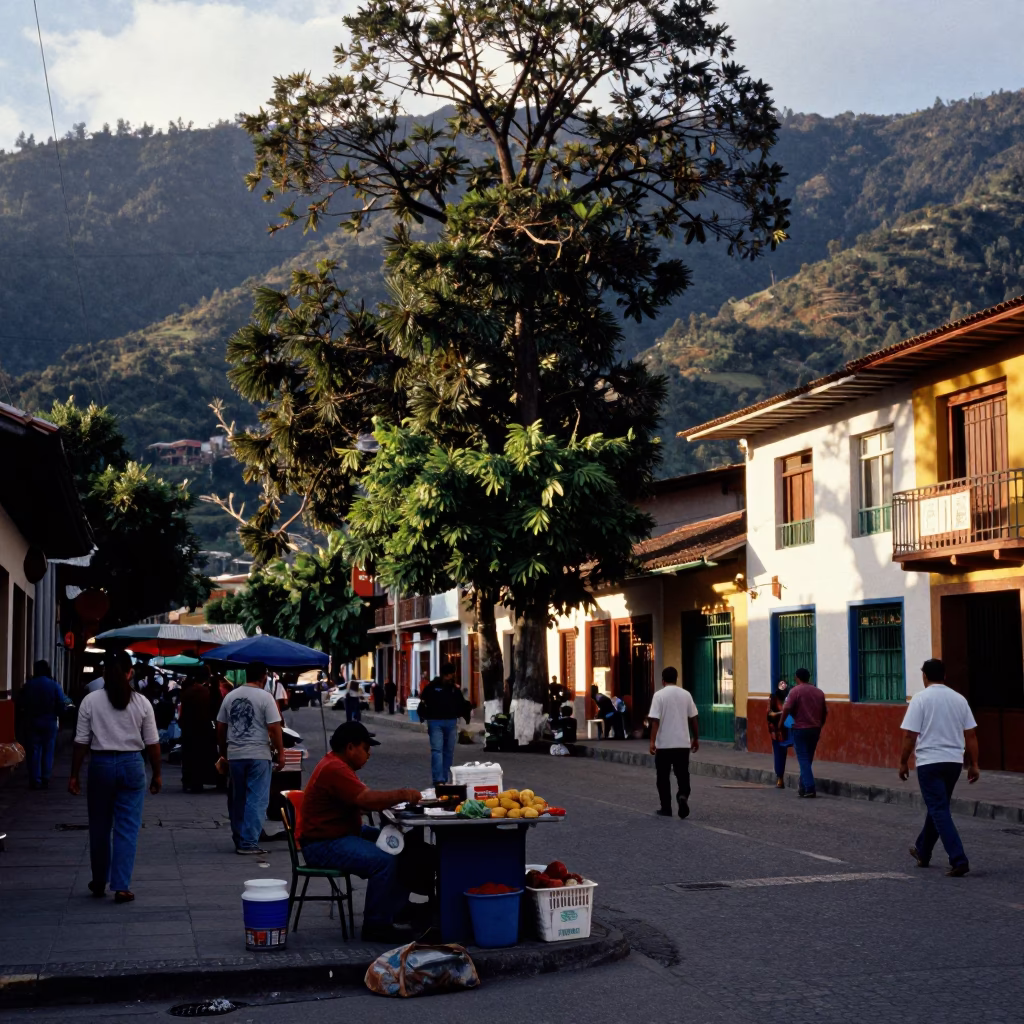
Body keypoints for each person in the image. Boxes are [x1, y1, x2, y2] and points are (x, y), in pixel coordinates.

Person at [298, 721, 425, 942]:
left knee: (402, 845)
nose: (368, 755)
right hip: (322, 843)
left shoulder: (340, 766)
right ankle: (376, 924)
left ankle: (396, 907)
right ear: (350, 747)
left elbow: (363, 801)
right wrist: (403, 794)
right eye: (365, 749)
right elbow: (366, 799)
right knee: (383, 860)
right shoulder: (335, 768)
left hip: (342, 832)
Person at [69, 651, 162, 903]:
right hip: (132, 764)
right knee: (127, 828)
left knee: (99, 827)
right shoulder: (142, 703)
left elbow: (81, 741)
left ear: (104, 673)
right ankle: (121, 886)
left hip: (100, 764)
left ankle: (99, 881)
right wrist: (157, 774)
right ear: (130, 673)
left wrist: (74, 775)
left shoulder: (90, 701)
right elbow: (152, 743)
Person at [900, 658, 980, 877]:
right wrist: (974, 764)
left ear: (924, 676)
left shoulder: (920, 699)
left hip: (929, 762)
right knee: (939, 806)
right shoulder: (959, 699)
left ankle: (958, 858)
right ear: (944, 676)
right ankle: (923, 851)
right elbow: (971, 734)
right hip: (954, 761)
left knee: (939, 809)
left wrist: (902, 762)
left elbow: (910, 735)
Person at [216, 661, 286, 855]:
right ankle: (248, 843)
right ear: (263, 677)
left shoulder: (231, 696)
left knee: (238, 798)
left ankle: (239, 838)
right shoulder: (265, 697)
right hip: (258, 755)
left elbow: (221, 726)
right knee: (257, 799)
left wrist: (223, 751)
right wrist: (281, 754)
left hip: (236, 755)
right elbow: (274, 728)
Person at [648, 667, 700, 819]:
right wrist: (695, 738)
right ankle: (683, 795)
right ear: (676, 679)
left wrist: (652, 741)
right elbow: (693, 718)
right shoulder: (686, 694)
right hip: (682, 744)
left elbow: (655, 721)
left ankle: (666, 808)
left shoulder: (659, 695)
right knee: (683, 775)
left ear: (663, 680)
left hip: (664, 745)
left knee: (662, 777)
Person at [16, 660, 68, 790]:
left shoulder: (29, 685)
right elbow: (61, 703)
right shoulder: (54, 685)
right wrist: (59, 714)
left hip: (32, 722)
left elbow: (20, 702)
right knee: (48, 750)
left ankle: (35, 779)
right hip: (49, 721)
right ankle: (46, 777)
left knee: (33, 751)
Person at [418, 663, 471, 786]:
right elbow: (423, 702)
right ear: (446, 675)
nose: (452, 677)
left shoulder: (453, 689)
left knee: (448, 751)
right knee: (437, 750)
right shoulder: (432, 687)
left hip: (451, 722)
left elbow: (461, 704)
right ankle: (439, 779)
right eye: (450, 675)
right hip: (435, 722)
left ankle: (444, 778)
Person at [782, 667, 827, 798]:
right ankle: (802, 786)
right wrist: (820, 724)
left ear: (797, 678)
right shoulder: (819, 692)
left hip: (800, 729)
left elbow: (787, 708)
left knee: (803, 759)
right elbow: (825, 712)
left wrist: (781, 723)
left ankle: (809, 787)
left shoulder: (795, 691)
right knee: (808, 758)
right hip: (815, 729)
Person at [179, 666, 216, 792]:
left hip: (188, 728)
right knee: (201, 755)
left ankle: (187, 780)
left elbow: (182, 712)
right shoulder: (207, 692)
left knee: (188, 754)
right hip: (203, 728)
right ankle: (198, 781)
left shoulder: (187, 691)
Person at [766, 679, 792, 789]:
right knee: (779, 754)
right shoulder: (773, 698)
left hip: (790, 730)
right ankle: (779, 778)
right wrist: (782, 713)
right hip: (777, 732)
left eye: (784, 685)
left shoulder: (790, 697)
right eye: (781, 684)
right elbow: (769, 714)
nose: (783, 686)